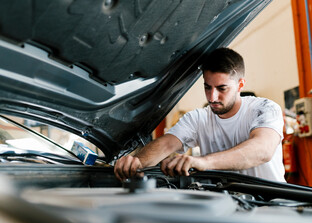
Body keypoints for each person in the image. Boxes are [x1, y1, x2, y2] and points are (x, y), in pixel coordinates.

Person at [114, 48, 285, 182]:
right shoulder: (198, 118)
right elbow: (166, 144)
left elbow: (263, 149)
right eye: (207, 87)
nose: (212, 97)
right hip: (227, 207)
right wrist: (137, 162)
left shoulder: (265, 109)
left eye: (221, 88)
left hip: (271, 206)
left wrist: (204, 162)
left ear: (240, 84)